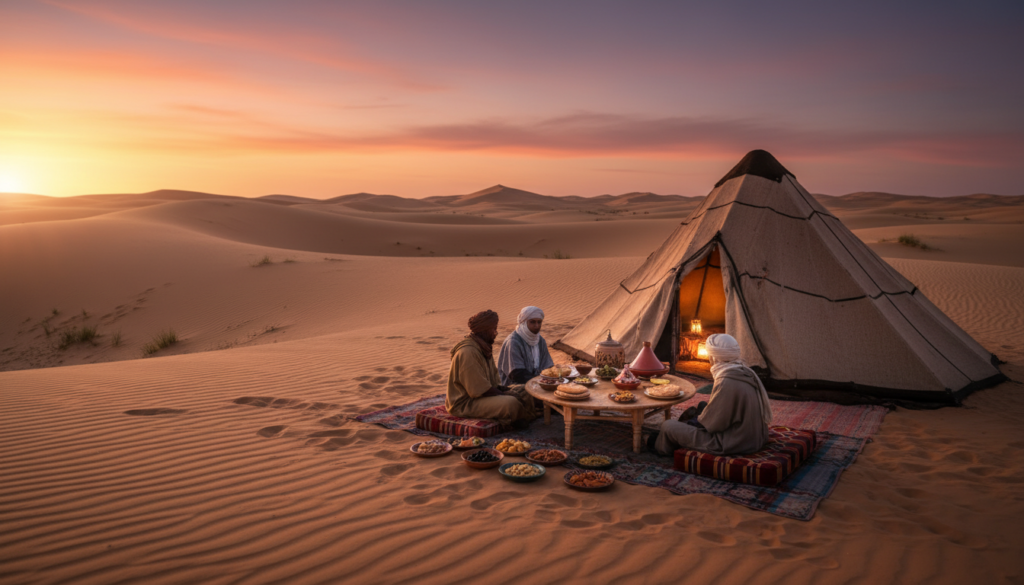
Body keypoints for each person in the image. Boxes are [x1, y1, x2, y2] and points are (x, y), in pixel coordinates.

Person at [647, 333, 771, 456]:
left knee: (668, 426)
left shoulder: (726, 380)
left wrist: (700, 420)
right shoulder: (745, 371)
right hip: (755, 437)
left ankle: (660, 448)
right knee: (702, 406)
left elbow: (713, 426)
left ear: (714, 357)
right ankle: (682, 430)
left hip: (733, 442)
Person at [446, 310, 535, 427]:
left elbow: (493, 383)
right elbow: (478, 390)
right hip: (466, 403)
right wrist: (507, 394)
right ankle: (516, 424)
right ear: (484, 330)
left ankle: (526, 419)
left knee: (526, 390)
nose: (496, 333)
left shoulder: (483, 346)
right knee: (511, 403)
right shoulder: (468, 352)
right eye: (493, 329)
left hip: (483, 395)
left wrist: (507, 390)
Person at [497, 305, 555, 385]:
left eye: (539, 322)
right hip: (515, 386)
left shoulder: (540, 341)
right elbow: (517, 374)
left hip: (539, 383)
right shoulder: (513, 341)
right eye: (532, 322)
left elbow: (548, 367)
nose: (537, 326)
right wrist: (539, 382)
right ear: (523, 322)